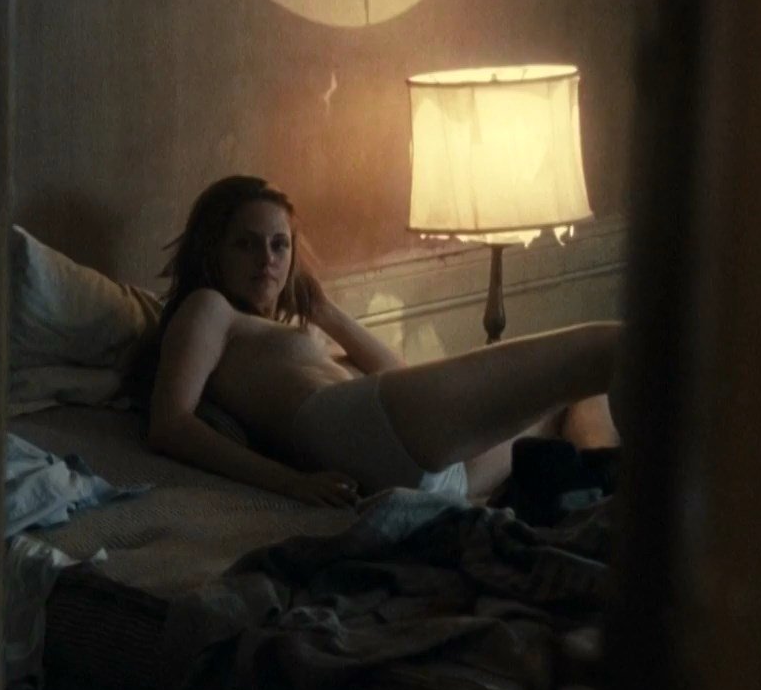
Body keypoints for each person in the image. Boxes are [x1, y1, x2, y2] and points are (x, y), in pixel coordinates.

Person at [144, 175, 622, 507]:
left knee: (579, 393)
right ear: (214, 251)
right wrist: (291, 483)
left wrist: (323, 311)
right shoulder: (209, 308)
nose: (267, 259)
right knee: (604, 347)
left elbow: (397, 376)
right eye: (246, 243)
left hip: (420, 465)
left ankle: (602, 495)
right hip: (347, 426)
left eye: (280, 244)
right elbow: (170, 424)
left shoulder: (285, 328)